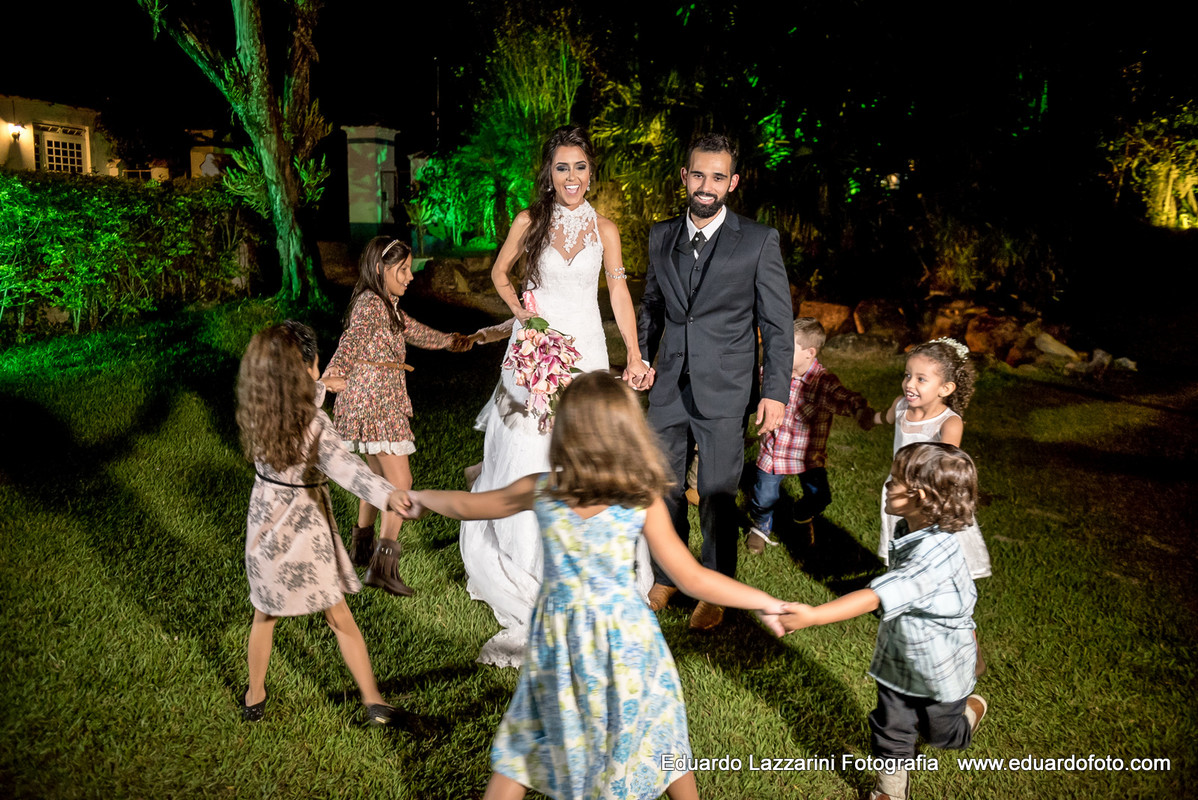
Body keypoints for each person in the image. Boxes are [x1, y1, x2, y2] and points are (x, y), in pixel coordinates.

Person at [401, 372, 787, 800]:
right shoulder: (638, 497)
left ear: (566, 431)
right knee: (658, 737)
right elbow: (692, 577)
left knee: (527, 744)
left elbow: (469, 505)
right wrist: (765, 601)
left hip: (562, 642)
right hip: (628, 645)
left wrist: (420, 499)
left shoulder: (544, 489)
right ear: (625, 431)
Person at [461, 125, 651, 666]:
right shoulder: (529, 222)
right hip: (537, 353)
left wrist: (633, 356)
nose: (572, 177)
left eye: (581, 167)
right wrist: (525, 318)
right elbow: (501, 274)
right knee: (531, 453)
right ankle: (528, 567)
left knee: (586, 459)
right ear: (549, 172)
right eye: (563, 167)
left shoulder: (605, 228)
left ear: (592, 172)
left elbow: (616, 289)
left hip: (587, 352)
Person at [636, 133, 794, 630]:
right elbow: (653, 307)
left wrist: (774, 391)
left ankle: (716, 584)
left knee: (718, 492)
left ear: (733, 183)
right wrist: (640, 358)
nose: (707, 186)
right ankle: (666, 573)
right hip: (666, 387)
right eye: (698, 175)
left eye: (718, 177)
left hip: (726, 389)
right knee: (661, 486)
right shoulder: (661, 235)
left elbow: (777, 323)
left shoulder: (759, 240)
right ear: (684, 177)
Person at [780, 442, 988, 800]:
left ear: (920, 496)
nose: (886, 485)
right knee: (891, 730)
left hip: (939, 669)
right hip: (899, 660)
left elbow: (876, 595)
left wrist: (813, 615)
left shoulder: (932, 555)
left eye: (893, 481)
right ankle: (890, 792)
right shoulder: (909, 528)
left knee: (942, 736)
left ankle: (970, 711)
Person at [235, 322, 409, 726]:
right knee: (339, 618)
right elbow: (346, 468)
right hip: (306, 531)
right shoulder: (316, 426)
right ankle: (373, 702)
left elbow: (294, 400)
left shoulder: (260, 408)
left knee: (264, 614)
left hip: (265, 529)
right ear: (308, 369)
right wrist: (388, 495)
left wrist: (322, 385)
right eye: (314, 364)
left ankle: (254, 696)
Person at [321, 236, 477, 597]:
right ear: (380, 268)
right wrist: (332, 374)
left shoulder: (385, 303)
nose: (409, 277)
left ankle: (362, 548)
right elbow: (351, 341)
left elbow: (414, 330)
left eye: (409, 269)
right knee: (400, 484)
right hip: (376, 402)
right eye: (402, 269)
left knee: (377, 476)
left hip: (372, 399)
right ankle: (382, 566)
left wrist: (449, 341)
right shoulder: (370, 306)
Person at [747, 318, 876, 553]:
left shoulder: (822, 382)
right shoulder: (772, 372)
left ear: (810, 353)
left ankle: (802, 516)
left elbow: (843, 397)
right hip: (773, 453)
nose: (779, 351)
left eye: (787, 347)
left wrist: (860, 409)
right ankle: (760, 527)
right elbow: (751, 386)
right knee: (764, 497)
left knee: (820, 496)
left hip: (808, 456)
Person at [872, 338, 990, 578]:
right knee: (902, 539)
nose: (909, 384)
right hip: (899, 489)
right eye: (907, 375)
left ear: (945, 388)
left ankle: (936, 583)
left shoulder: (949, 422)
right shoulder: (901, 406)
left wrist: (926, 494)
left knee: (930, 545)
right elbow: (884, 417)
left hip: (931, 493)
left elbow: (946, 462)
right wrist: (865, 416)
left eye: (921, 379)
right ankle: (901, 582)